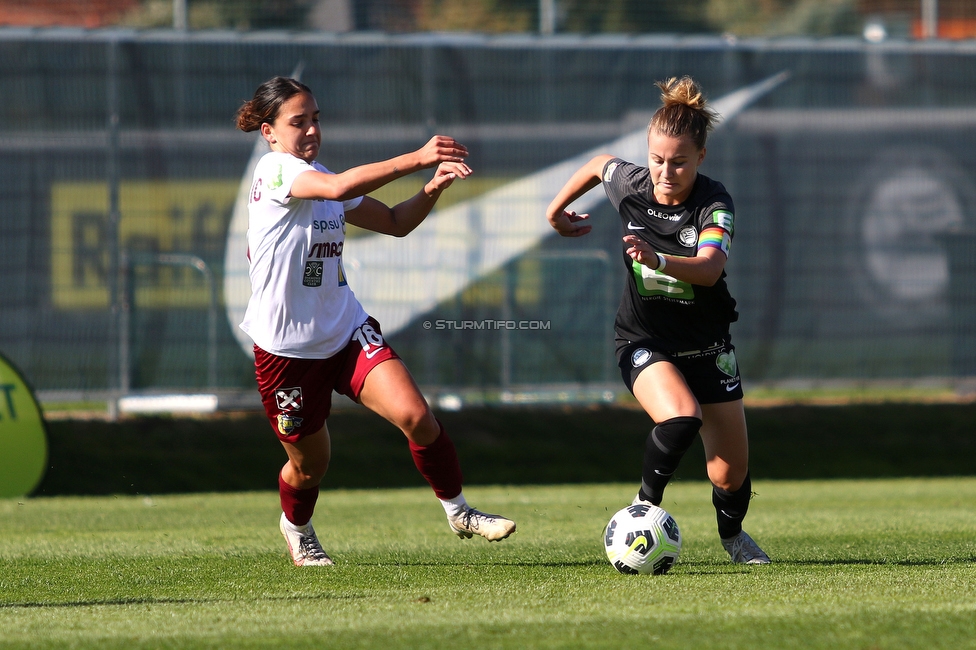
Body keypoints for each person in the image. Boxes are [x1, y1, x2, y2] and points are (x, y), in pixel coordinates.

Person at [235, 76, 516, 566]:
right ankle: (297, 527)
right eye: (298, 122)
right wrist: (417, 157)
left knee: (416, 416)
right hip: (286, 352)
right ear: (269, 132)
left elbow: (394, 223)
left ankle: (459, 510)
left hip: (345, 331)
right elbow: (341, 185)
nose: (310, 131)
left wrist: (431, 188)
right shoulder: (274, 171)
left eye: (316, 119)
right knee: (309, 467)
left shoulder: (316, 176)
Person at [546, 76, 769, 564]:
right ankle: (642, 510)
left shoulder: (714, 203)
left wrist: (658, 260)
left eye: (680, 161)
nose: (666, 171)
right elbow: (596, 165)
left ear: (701, 158)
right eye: (657, 159)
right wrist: (555, 211)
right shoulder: (632, 186)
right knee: (681, 416)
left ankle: (733, 537)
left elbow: (710, 270)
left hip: (708, 346)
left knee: (729, 476)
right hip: (644, 340)